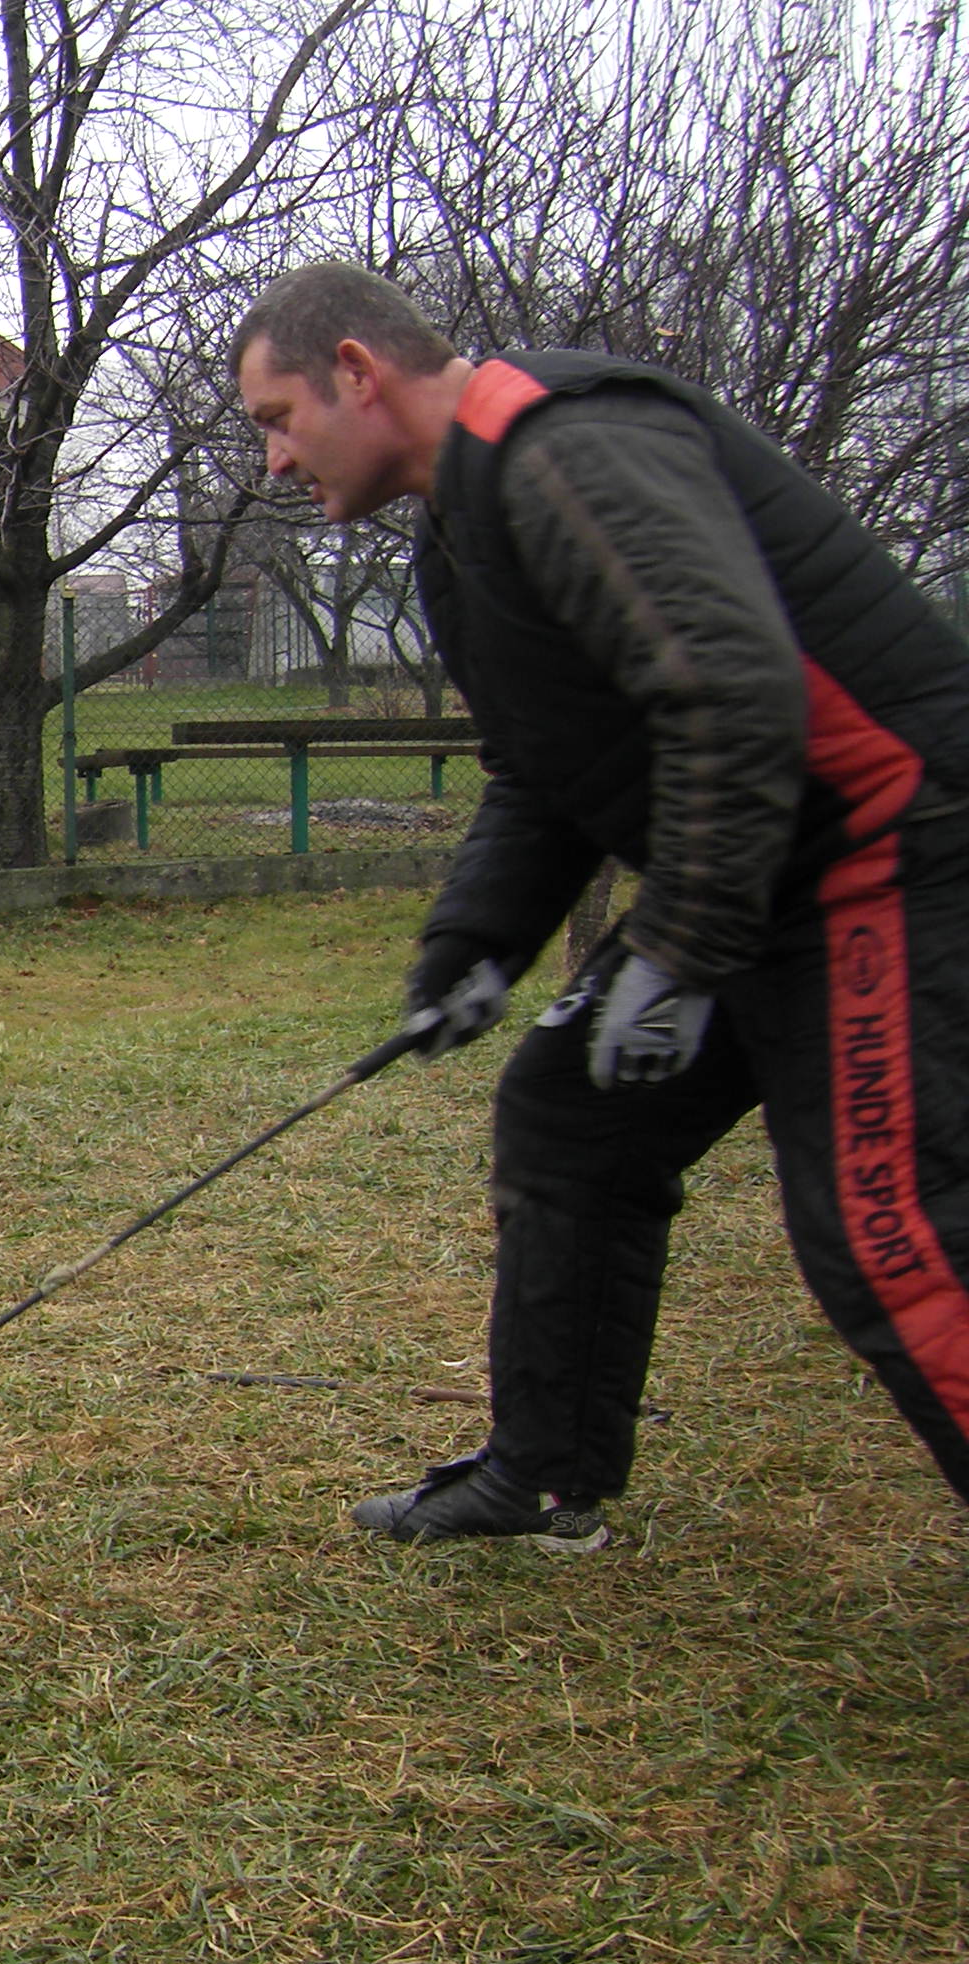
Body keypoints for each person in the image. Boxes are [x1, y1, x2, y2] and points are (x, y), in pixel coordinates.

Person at [228, 262, 969, 1550]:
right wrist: (471, 949)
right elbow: (545, 772)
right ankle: (546, 1478)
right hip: (762, 866)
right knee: (573, 1118)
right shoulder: (462, 539)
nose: (275, 464)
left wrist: (678, 950)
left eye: (276, 419)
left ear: (357, 369)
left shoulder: (563, 445)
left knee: (888, 1231)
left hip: (883, 850)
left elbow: (733, 694)